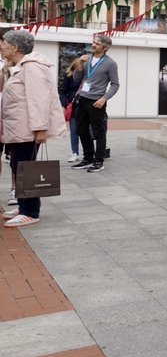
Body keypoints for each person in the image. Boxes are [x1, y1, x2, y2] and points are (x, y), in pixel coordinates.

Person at [0, 30, 67, 228]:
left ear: (15, 47)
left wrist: (40, 129)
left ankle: (31, 212)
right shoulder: (18, 66)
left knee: (25, 168)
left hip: (27, 129)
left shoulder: (32, 68)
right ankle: (23, 206)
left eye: (3, 43)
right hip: (18, 128)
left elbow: (39, 100)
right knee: (17, 166)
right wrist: (6, 68)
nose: (1, 46)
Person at [71, 34, 120, 173]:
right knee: (81, 129)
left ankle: (99, 161)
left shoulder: (110, 63)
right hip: (82, 98)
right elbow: (76, 79)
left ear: (105, 48)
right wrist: (79, 64)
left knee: (99, 132)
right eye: (93, 42)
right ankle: (87, 158)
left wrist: (104, 98)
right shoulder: (87, 60)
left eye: (97, 44)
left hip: (97, 101)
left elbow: (115, 84)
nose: (93, 45)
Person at [59, 57, 84, 162]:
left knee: (85, 130)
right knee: (74, 131)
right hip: (73, 105)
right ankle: (75, 153)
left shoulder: (87, 76)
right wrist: (63, 105)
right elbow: (63, 91)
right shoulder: (69, 76)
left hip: (85, 104)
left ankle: (89, 152)